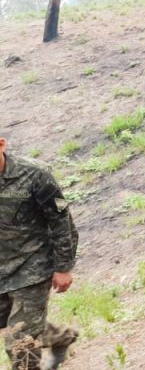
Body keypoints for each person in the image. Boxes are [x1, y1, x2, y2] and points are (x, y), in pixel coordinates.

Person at [0, 137, 79, 370]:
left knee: (19, 342)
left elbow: (61, 221)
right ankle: (61, 337)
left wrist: (63, 267)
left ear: (1, 144)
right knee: (16, 324)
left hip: (33, 266)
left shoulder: (35, 174)